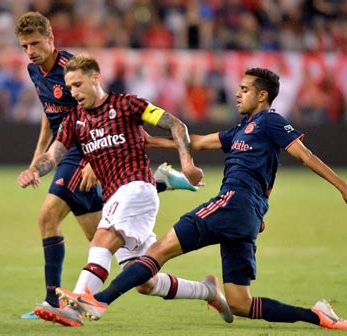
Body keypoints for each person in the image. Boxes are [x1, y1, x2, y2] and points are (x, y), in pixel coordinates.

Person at [61, 67, 347, 331]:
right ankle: (317, 316)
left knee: (159, 249)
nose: (237, 94)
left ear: (262, 96)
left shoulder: (271, 122)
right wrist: (151, 140)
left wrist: (343, 187)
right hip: (246, 217)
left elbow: (305, 155)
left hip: (234, 202)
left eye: (245, 89)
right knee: (239, 303)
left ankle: (99, 300)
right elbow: (198, 142)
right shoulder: (241, 129)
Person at [17, 53, 232, 327]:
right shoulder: (74, 121)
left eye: (78, 85)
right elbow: (54, 154)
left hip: (136, 188)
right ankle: (208, 290)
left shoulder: (128, 104)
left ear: (95, 79)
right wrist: (36, 169)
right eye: (70, 87)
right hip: (114, 198)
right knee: (144, 280)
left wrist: (187, 163)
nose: (73, 92)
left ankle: (75, 305)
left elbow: (176, 125)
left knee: (101, 239)